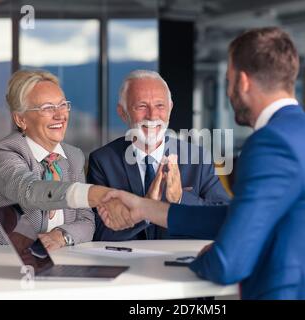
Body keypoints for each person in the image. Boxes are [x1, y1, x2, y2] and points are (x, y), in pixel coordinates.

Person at [98, 27, 305, 299]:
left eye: (227, 80)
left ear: (242, 82)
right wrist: (146, 208)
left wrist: (208, 255)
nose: (228, 92)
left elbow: (226, 265)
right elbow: (234, 217)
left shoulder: (271, 143)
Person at [0, 69, 125, 250]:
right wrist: (93, 194)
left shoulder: (73, 157)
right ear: (21, 119)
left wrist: (61, 236)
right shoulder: (4, 154)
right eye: (47, 108)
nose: (60, 115)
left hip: (40, 263)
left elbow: (86, 221)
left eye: (62, 105)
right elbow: (30, 191)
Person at [88, 70, 229, 240]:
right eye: (141, 106)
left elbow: (225, 219)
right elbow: (98, 233)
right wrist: (144, 208)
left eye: (160, 105)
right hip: (127, 263)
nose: (152, 115)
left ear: (170, 109)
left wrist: (180, 198)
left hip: (180, 261)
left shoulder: (198, 157)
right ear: (122, 112)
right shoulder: (103, 161)